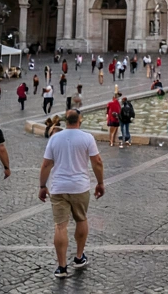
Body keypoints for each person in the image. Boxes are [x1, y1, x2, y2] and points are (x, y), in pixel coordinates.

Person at [38, 109, 103, 279]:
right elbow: (97, 162)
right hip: (80, 186)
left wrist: (42, 186)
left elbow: (46, 165)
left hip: (59, 187)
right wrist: (100, 183)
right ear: (79, 119)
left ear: (66, 120)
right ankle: (79, 257)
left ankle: (61, 267)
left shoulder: (54, 138)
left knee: (60, 226)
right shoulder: (87, 137)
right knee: (81, 219)